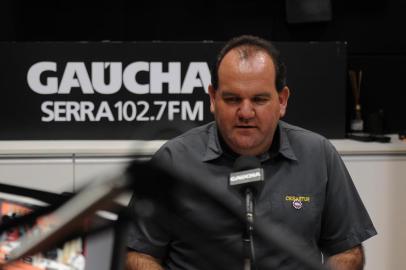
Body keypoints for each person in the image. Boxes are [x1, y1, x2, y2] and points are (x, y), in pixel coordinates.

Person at [126, 35, 377, 270]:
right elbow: (137, 254)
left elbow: (348, 251)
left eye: (259, 99)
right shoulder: (173, 161)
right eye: (233, 99)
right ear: (213, 98)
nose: (245, 113)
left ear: (282, 101)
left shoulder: (318, 155)